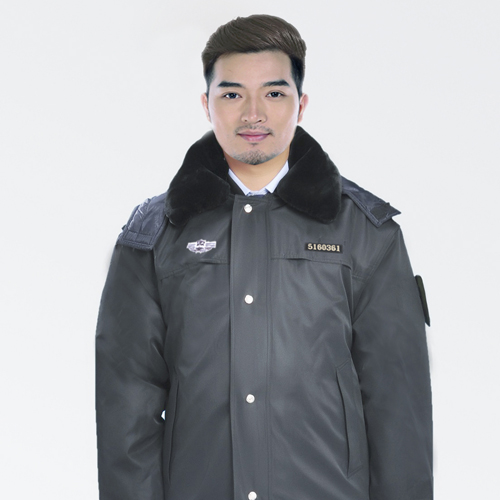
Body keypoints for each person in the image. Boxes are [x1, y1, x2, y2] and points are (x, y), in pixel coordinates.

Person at [95, 14, 433, 500]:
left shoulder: (366, 233)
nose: (253, 113)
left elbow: (399, 408)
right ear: (206, 105)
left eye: (274, 93)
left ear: (301, 104)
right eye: (232, 94)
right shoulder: (153, 234)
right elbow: (126, 404)